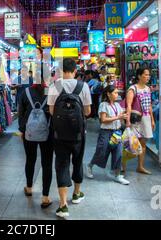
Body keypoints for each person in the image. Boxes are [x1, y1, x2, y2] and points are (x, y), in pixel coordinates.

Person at [47, 58, 92, 218]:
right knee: (78, 161)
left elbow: (51, 111)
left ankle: (63, 204)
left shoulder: (54, 85)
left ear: (60, 70)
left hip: (59, 134)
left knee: (61, 164)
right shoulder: (83, 86)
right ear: (75, 70)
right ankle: (77, 194)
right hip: (78, 134)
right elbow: (87, 112)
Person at [18, 77, 54, 208]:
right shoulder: (52, 92)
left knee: (30, 159)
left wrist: (22, 130)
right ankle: (45, 196)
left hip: (29, 133)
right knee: (47, 163)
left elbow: (21, 113)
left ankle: (29, 187)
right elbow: (55, 114)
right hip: (48, 134)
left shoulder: (25, 92)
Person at [85, 85, 130, 185]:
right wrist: (118, 117)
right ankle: (90, 166)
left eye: (117, 93)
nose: (117, 95)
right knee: (101, 151)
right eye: (115, 93)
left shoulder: (118, 105)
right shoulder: (103, 105)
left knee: (118, 153)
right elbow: (103, 120)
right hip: (106, 132)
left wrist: (124, 117)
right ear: (108, 94)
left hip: (117, 132)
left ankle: (117, 175)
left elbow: (121, 118)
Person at [124, 67, 155, 175]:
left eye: (148, 75)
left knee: (143, 143)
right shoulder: (133, 89)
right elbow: (128, 105)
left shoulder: (147, 88)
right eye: (145, 75)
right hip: (135, 119)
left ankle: (140, 166)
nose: (148, 77)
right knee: (130, 142)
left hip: (145, 119)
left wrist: (152, 119)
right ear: (139, 76)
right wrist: (127, 120)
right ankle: (122, 165)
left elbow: (149, 105)